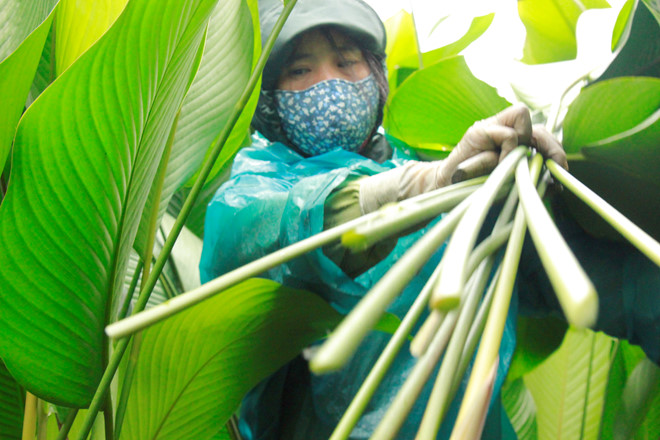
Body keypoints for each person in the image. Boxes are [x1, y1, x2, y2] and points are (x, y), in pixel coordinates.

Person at [199, 0, 660, 438]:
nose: (330, 84)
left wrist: (536, 186)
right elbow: (279, 228)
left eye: (347, 62)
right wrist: (414, 188)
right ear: (268, 101)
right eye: (300, 70)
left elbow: (621, 285)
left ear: (375, 76)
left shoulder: (457, 189)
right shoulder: (251, 191)